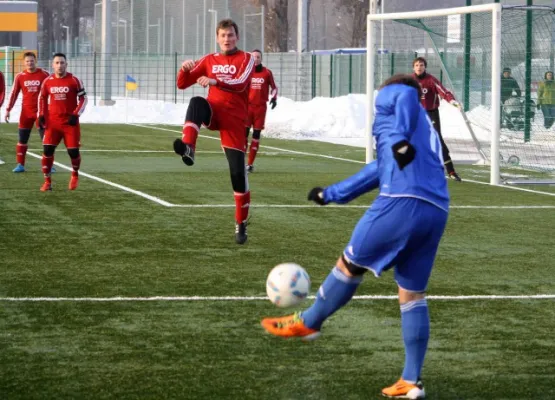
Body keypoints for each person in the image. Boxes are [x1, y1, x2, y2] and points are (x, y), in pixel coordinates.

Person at [261, 74, 450, 400]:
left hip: (400, 202)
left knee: (349, 264)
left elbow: (406, 96)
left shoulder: (399, 96)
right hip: (436, 211)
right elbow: (378, 170)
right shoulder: (419, 132)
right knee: (412, 295)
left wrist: (402, 138)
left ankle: (309, 322)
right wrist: (330, 194)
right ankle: (410, 381)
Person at [172, 19, 254, 245]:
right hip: (214, 112)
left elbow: (239, 83)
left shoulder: (246, 58)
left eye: (230, 35)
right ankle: (188, 147)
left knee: (237, 175)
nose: (227, 39)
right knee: (197, 101)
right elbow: (182, 84)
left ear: (237, 37)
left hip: (235, 120)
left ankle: (241, 223)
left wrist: (214, 81)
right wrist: (184, 68)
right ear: (217, 38)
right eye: (223, 36)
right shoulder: (209, 59)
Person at [38, 53, 87, 192]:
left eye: (62, 63)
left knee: (73, 152)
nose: (60, 65)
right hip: (53, 123)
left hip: (70, 124)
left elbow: (84, 99)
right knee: (47, 150)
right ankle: (47, 181)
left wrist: (76, 114)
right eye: (57, 63)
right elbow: (42, 99)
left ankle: (75, 174)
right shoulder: (47, 81)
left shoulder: (74, 80)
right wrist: (41, 115)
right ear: (53, 65)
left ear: (66, 64)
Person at [412, 57, 462, 182]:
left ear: (425, 67)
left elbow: (444, 92)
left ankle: (451, 171)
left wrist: (452, 101)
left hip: (431, 113)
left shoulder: (430, 80)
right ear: (413, 67)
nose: (419, 67)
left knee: (437, 140)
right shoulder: (409, 81)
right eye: (417, 65)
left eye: (421, 65)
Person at [5, 52, 50, 173]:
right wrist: (8, 109)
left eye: (32, 60)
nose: (30, 63)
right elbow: (14, 94)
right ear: (24, 63)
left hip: (41, 113)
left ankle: (49, 165)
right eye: (27, 61)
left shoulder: (45, 74)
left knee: (46, 140)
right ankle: (20, 165)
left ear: (36, 61)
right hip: (26, 113)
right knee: (22, 139)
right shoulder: (20, 76)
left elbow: (52, 89)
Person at [245, 49, 278, 173]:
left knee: (256, 135)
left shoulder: (267, 73)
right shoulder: (246, 72)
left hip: (260, 108)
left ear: (261, 59)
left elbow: (274, 88)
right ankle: (240, 163)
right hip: (247, 107)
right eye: (253, 57)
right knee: (244, 134)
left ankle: (250, 164)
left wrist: (274, 98)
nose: (256, 59)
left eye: (258, 57)